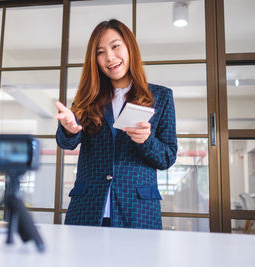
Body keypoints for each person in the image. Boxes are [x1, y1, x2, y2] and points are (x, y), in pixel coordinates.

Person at [54, 19, 177, 229]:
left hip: (138, 210)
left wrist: (146, 141)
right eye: (100, 52)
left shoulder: (161, 96)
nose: (109, 57)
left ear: (130, 47)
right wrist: (68, 129)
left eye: (115, 46)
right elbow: (67, 143)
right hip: (88, 207)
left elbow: (167, 156)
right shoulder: (86, 99)